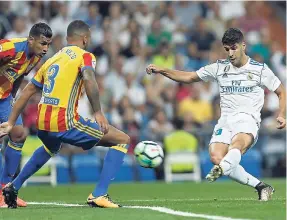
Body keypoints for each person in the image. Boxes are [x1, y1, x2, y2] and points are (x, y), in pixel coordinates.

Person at [0, 20, 130, 209]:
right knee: (122, 140)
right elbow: (89, 77)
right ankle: (99, 194)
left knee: (50, 147)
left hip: (42, 121)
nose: (45, 48)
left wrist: (11, 121)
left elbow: (28, 90)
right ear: (85, 39)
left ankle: (12, 188)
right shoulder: (86, 56)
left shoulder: (52, 59)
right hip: (63, 121)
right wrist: (98, 113)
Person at [146, 28, 286, 201]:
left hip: (248, 119)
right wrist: (162, 70)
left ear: (243, 46)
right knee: (216, 157)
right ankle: (261, 186)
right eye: (227, 49)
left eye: (234, 48)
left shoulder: (260, 69)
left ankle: (223, 168)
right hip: (225, 120)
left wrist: (281, 114)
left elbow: (281, 91)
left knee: (237, 145)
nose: (231, 53)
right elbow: (189, 77)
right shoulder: (219, 67)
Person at [0, 22, 52, 207]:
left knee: (19, 134)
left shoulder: (35, 57)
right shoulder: (9, 48)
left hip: (4, 98)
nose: (46, 49)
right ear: (31, 39)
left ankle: (6, 189)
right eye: (42, 43)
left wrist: (13, 96)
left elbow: (19, 75)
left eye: (48, 44)